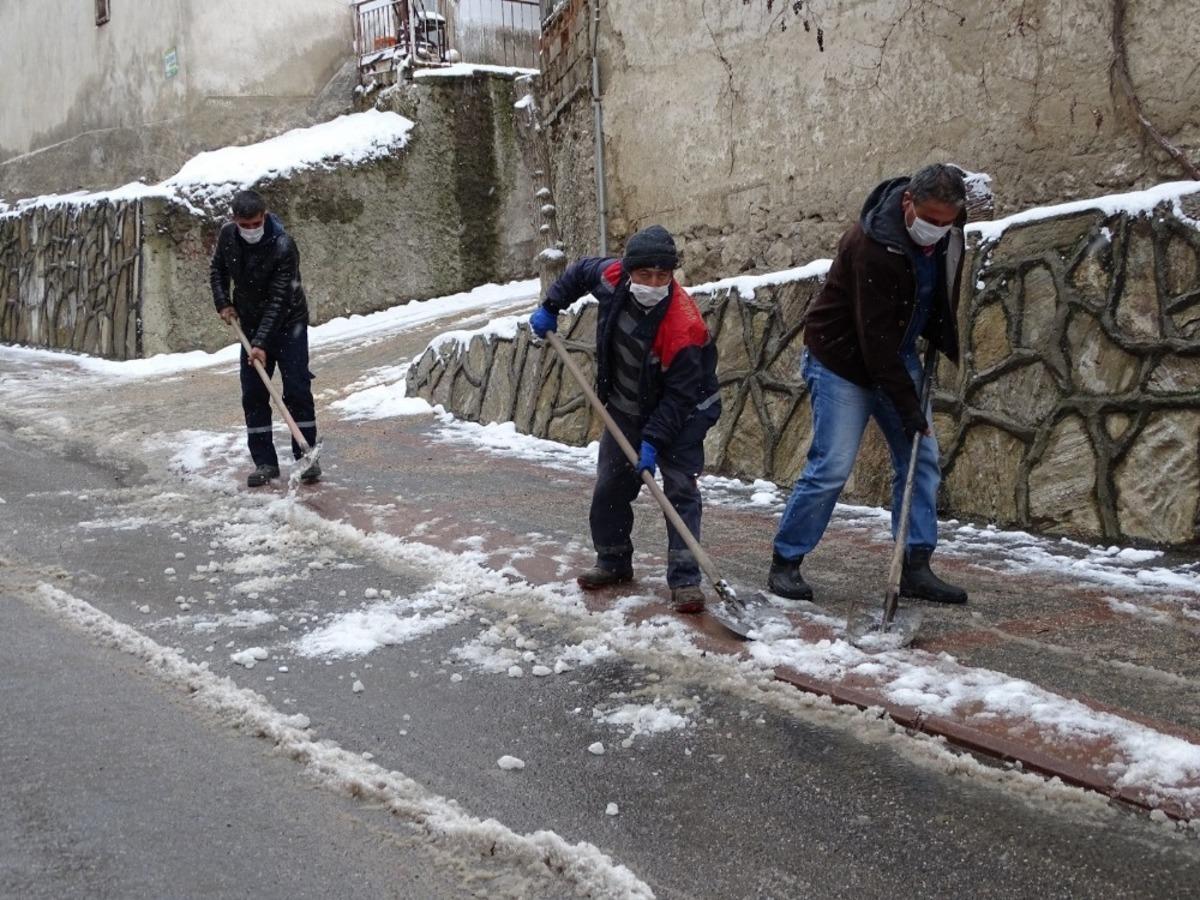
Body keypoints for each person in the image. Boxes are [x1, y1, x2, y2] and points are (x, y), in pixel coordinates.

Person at [768, 164, 969, 604]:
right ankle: (787, 559)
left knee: (921, 460)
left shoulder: (950, 233)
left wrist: (938, 329)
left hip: (894, 353)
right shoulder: (869, 245)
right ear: (907, 202)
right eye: (929, 219)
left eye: (945, 222)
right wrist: (910, 409)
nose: (936, 230)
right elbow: (874, 342)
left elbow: (935, 288)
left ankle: (914, 563)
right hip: (841, 359)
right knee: (832, 465)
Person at [529, 225, 721, 613]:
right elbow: (578, 272)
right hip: (625, 407)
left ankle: (685, 581)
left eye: (663, 276)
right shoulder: (613, 277)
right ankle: (613, 560)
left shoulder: (683, 326)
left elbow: (680, 397)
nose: (653, 283)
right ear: (629, 270)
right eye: (645, 274)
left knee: (680, 491)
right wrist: (551, 306)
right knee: (612, 485)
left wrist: (652, 441)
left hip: (684, 414)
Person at [209, 189, 321, 487]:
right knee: (254, 394)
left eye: (256, 223)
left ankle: (306, 457)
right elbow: (218, 269)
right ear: (234, 220)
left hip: (288, 322)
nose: (250, 230)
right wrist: (223, 302)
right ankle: (265, 462)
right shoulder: (228, 237)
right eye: (244, 225)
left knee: (296, 389)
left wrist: (260, 344)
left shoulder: (283, 245)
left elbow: (279, 299)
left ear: (265, 216)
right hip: (249, 322)